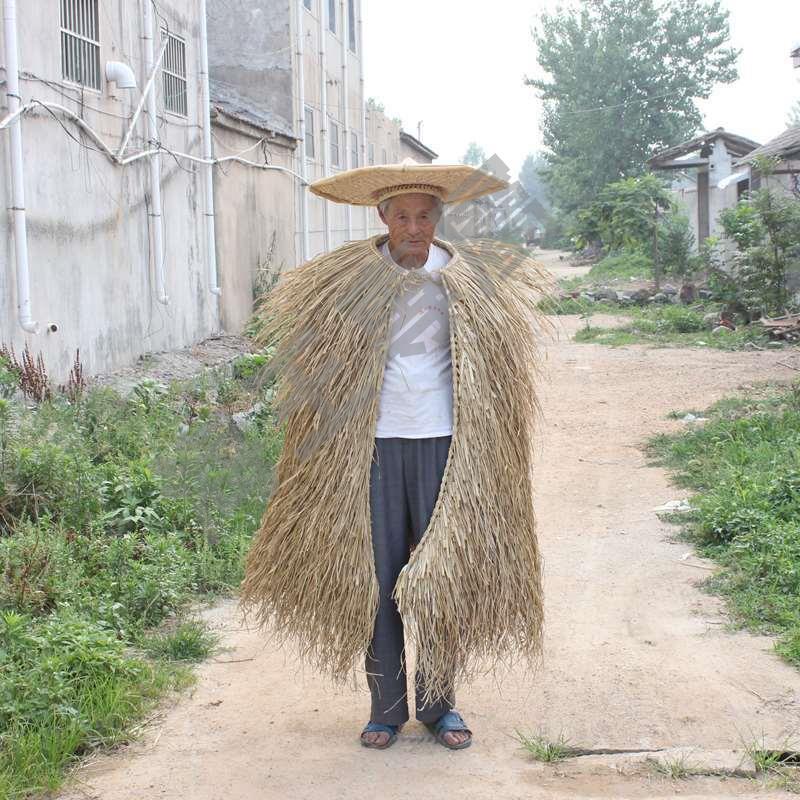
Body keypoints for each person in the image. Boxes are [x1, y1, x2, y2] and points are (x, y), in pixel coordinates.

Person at [239, 159, 546, 752]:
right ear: (381, 217)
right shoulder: (347, 281)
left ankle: (439, 707)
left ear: (438, 219)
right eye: (402, 216)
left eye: (424, 216)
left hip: (447, 443)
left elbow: (502, 374)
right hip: (370, 449)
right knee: (376, 579)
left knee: (439, 575)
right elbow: (313, 374)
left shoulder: (468, 280)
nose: (413, 227)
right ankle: (385, 709)